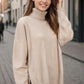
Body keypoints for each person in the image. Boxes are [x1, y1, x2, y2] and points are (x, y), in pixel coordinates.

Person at [13, 0, 74, 84]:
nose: (44, 1)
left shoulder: (52, 21)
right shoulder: (24, 23)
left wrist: (59, 8)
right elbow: (19, 63)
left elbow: (67, 36)